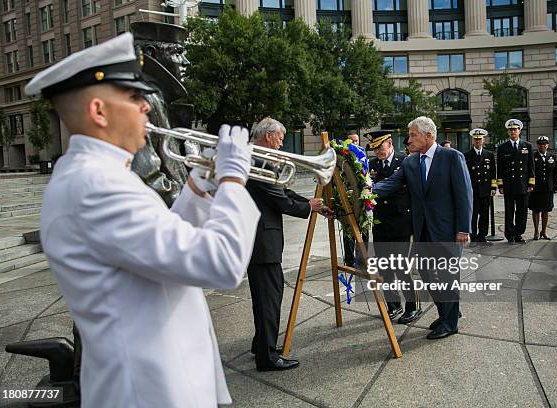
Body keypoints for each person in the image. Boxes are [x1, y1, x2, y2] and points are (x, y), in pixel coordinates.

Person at [24, 33, 260, 408]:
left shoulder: (100, 176)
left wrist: (200, 187)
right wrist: (233, 180)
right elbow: (221, 264)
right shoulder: (96, 185)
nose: (146, 108)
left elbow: (165, 247)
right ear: (99, 112)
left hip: (158, 381)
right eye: (134, 97)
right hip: (148, 392)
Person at [373, 117, 472, 339]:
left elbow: (464, 194)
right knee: (427, 275)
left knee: (447, 277)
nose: (409, 140)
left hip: (447, 230)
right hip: (422, 231)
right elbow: (389, 184)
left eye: (413, 135)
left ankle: (450, 323)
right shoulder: (410, 162)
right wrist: (364, 191)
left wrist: (463, 228)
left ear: (429, 136)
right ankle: (445, 313)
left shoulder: (451, 157)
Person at [245, 117, 331, 372]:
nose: (282, 144)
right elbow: (280, 200)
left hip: (261, 240)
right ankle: (267, 357)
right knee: (269, 297)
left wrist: (309, 203)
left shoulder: (256, 158)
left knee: (267, 295)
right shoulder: (257, 160)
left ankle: (261, 344)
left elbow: (280, 191)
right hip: (263, 242)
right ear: (268, 136)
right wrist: (308, 206)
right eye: (280, 138)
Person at [366, 130, 421, 324]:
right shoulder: (370, 165)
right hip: (381, 223)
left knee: (400, 267)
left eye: (380, 147)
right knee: (384, 268)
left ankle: (413, 306)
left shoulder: (404, 161)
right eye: (374, 148)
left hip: (401, 223)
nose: (377, 152)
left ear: (389, 143)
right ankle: (393, 304)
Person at [497, 119, 535, 244]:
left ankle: (519, 233)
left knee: (522, 211)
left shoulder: (527, 146)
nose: (513, 131)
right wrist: (500, 185)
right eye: (511, 129)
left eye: (515, 129)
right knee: (509, 211)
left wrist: (531, 183)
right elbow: (500, 168)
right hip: (509, 185)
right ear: (508, 132)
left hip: (523, 184)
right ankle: (510, 234)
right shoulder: (502, 148)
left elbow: (531, 166)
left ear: (519, 131)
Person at [463, 129, 496, 243]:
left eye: (480, 139)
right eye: (476, 139)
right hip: (473, 190)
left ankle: (482, 235)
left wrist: (493, 187)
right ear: (473, 141)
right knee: (473, 214)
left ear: (483, 140)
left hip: (486, 190)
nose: (478, 141)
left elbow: (492, 172)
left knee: (484, 214)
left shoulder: (489, 155)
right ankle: (473, 235)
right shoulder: (467, 155)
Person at [342, 132, 369, 267]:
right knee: (348, 230)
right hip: (348, 199)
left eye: (357, 141)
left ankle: (363, 258)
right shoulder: (343, 157)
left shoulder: (363, 156)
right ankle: (349, 259)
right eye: (351, 141)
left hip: (362, 197)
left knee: (364, 228)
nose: (355, 144)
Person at [529, 136, 557, 240]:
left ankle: (544, 231)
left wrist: (556, 186)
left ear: (548, 145)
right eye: (540, 144)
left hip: (548, 188)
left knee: (546, 210)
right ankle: (536, 231)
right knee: (536, 210)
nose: (543, 146)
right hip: (536, 189)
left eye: (545, 144)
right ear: (538, 145)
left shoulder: (552, 157)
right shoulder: (533, 156)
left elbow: (555, 173)